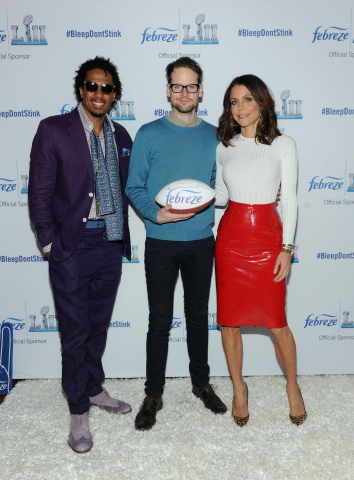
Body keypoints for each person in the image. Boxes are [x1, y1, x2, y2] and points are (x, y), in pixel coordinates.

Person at [28, 56, 133, 452]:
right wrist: (51, 242)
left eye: (106, 88)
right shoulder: (54, 130)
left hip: (110, 241)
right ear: (80, 89)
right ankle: (77, 411)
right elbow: (38, 193)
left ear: (114, 94)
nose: (99, 93)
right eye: (92, 86)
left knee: (98, 327)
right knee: (74, 333)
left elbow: (132, 186)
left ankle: (92, 389)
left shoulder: (122, 136)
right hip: (72, 246)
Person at [126, 57, 227, 431]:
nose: (184, 93)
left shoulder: (215, 136)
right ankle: (153, 393)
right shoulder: (149, 134)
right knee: (159, 320)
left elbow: (223, 187)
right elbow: (134, 186)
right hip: (161, 243)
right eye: (177, 86)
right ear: (168, 90)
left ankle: (201, 384)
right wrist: (156, 216)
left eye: (191, 86)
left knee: (200, 316)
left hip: (202, 241)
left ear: (201, 90)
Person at [215, 74, 306, 427]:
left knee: (277, 323)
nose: (240, 108)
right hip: (230, 239)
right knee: (228, 323)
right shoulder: (224, 147)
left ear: (262, 102)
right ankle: (239, 389)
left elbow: (292, 198)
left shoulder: (284, 144)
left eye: (247, 100)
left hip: (269, 238)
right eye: (234, 102)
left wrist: (287, 247)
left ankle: (293, 386)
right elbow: (222, 197)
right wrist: (190, 198)